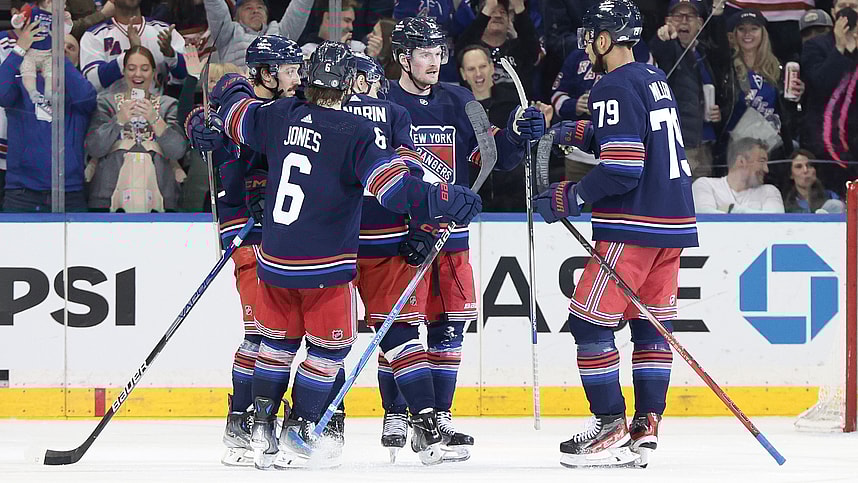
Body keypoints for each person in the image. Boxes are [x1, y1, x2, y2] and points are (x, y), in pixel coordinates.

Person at [207, 41, 483, 468]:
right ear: (348, 83)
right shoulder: (352, 132)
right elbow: (394, 190)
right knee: (329, 351)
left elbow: (233, 114)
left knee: (276, 345)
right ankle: (301, 427)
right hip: (326, 265)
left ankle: (261, 427)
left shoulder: (279, 115)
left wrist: (227, 87)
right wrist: (443, 197)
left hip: (275, 259)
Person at [532, 0, 697, 468]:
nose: (588, 44)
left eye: (593, 36)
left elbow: (623, 167)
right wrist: (572, 130)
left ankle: (608, 426)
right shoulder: (651, 76)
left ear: (606, 40)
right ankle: (646, 427)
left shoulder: (611, 85)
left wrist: (571, 197)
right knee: (649, 326)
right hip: (672, 223)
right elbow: (633, 131)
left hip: (633, 224)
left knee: (589, 323)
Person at [386, 15, 545, 460]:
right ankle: (397, 410)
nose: (435, 62)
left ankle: (438, 417)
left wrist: (516, 133)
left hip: (451, 236)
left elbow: (490, 155)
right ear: (403, 57)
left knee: (449, 324)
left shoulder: (457, 99)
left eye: (439, 53)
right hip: (401, 234)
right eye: (424, 53)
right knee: (399, 325)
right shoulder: (380, 100)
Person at [186, 34, 304, 466]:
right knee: (262, 332)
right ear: (265, 73)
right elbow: (210, 115)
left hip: (284, 232)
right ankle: (247, 422)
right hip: (245, 231)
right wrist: (199, 124)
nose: (296, 77)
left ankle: (257, 419)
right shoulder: (237, 105)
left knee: (284, 334)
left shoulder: (291, 108)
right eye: (287, 70)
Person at [341, 52, 445, 464]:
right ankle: (426, 422)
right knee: (401, 338)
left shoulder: (320, 114)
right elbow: (414, 177)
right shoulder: (395, 112)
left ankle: (319, 423)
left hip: (337, 247)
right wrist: (423, 226)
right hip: (389, 242)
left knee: (325, 344)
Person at [0, 17, 97, 212]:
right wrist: (19, 50)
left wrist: (59, 58)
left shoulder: (80, 89)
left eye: (70, 48)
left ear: (78, 60)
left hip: (69, 192)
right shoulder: (22, 86)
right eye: (59, 46)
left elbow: (87, 100)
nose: (63, 50)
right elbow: (1, 94)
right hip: (22, 193)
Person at [85, 45, 187, 212]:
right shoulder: (106, 103)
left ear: (153, 73)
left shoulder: (167, 104)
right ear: (123, 72)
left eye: (144, 69)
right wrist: (119, 120)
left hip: (160, 199)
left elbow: (177, 151)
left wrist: (155, 119)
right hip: (107, 198)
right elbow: (94, 147)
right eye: (131, 68)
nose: (137, 74)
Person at [715, 9, 802, 167]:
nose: (747, 34)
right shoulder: (726, 67)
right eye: (742, 29)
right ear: (734, 34)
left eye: (754, 29)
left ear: (763, 33)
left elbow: (786, 112)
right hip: (736, 149)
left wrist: (799, 93)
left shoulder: (776, 69)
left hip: (771, 149)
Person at [650, 0, 727, 179]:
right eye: (678, 16)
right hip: (678, 146)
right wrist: (663, 39)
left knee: (702, 203)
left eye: (690, 16)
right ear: (667, 21)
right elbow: (662, 58)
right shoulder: (667, 48)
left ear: (700, 24)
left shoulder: (705, 53)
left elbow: (723, 61)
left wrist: (719, 112)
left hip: (705, 145)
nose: (684, 21)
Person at [800, 0, 858, 196]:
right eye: (843, 6)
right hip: (824, 142)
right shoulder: (815, 45)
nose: (849, 11)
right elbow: (819, 84)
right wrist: (840, 48)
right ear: (833, 12)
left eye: (854, 6)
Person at [80, 0, 188, 92]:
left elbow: (186, 78)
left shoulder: (163, 30)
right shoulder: (95, 35)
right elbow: (93, 82)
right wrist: (131, 55)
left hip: (156, 110)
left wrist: (171, 55)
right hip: (111, 112)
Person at [453, 0, 541, 96]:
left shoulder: (520, 49)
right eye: (492, 12)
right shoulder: (470, 51)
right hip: (478, 109)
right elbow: (462, 45)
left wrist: (519, 7)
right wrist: (487, 8)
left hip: (516, 108)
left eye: (503, 12)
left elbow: (532, 44)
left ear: (508, 20)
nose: (498, 16)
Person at [203, 0, 314, 67]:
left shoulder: (281, 34)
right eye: (248, 8)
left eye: (260, 7)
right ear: (236, 16)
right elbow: (215, 7)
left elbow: (299, 9)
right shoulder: (227, 34)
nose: (255, 11)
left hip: (275, 100)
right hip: (239, 99)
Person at [692, 137, 785, 213]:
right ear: (741, 161)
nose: (766, 169)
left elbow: (774, 222)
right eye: (761, 161)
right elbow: (706, 219)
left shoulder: (769, 191)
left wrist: (731, 209)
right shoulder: (705, 185)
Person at [298, 0, 362, 58]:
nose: (351, 27)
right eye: (346, 20)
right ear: (328, 17)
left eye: (352, 22)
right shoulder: (305, 52)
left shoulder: (358, 48)